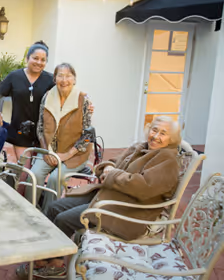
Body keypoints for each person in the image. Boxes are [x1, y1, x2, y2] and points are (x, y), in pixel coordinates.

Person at [17, 116, 181, 279]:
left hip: (127, 211)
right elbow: (112, 162)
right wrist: (108, 167)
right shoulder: (140, 147)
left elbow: (143, 187)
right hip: (107, 196)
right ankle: (44, 258)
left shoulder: (167, 160)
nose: (156, 136)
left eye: (163, 133)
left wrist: (112, 174)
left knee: (63, 219)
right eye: (154, 130)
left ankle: (54, 265)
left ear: (171, 138)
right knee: (54, 207)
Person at [25, 63, 93, 212]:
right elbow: (40, 128)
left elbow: (88, 135)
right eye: (60, 75)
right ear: (55, 79)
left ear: (74, 79)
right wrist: (46, 151)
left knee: (56, 178)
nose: (64, 80)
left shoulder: (83, 99)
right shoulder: (48, 96)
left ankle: (49, 215)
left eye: (68, 76)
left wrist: (66, 155)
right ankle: (28, 211)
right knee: (34, 175)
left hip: (74, 155)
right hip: (49, 151)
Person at [0, 41, 54, 168]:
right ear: (27, 58)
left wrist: (86, 103)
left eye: (43, 60)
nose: (39, 62)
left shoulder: (50, 79)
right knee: (24, 172)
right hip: (21, 131)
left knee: (39, 172)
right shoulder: (14, 76)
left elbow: (67, 95)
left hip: (44, 134)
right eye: (35, 58)